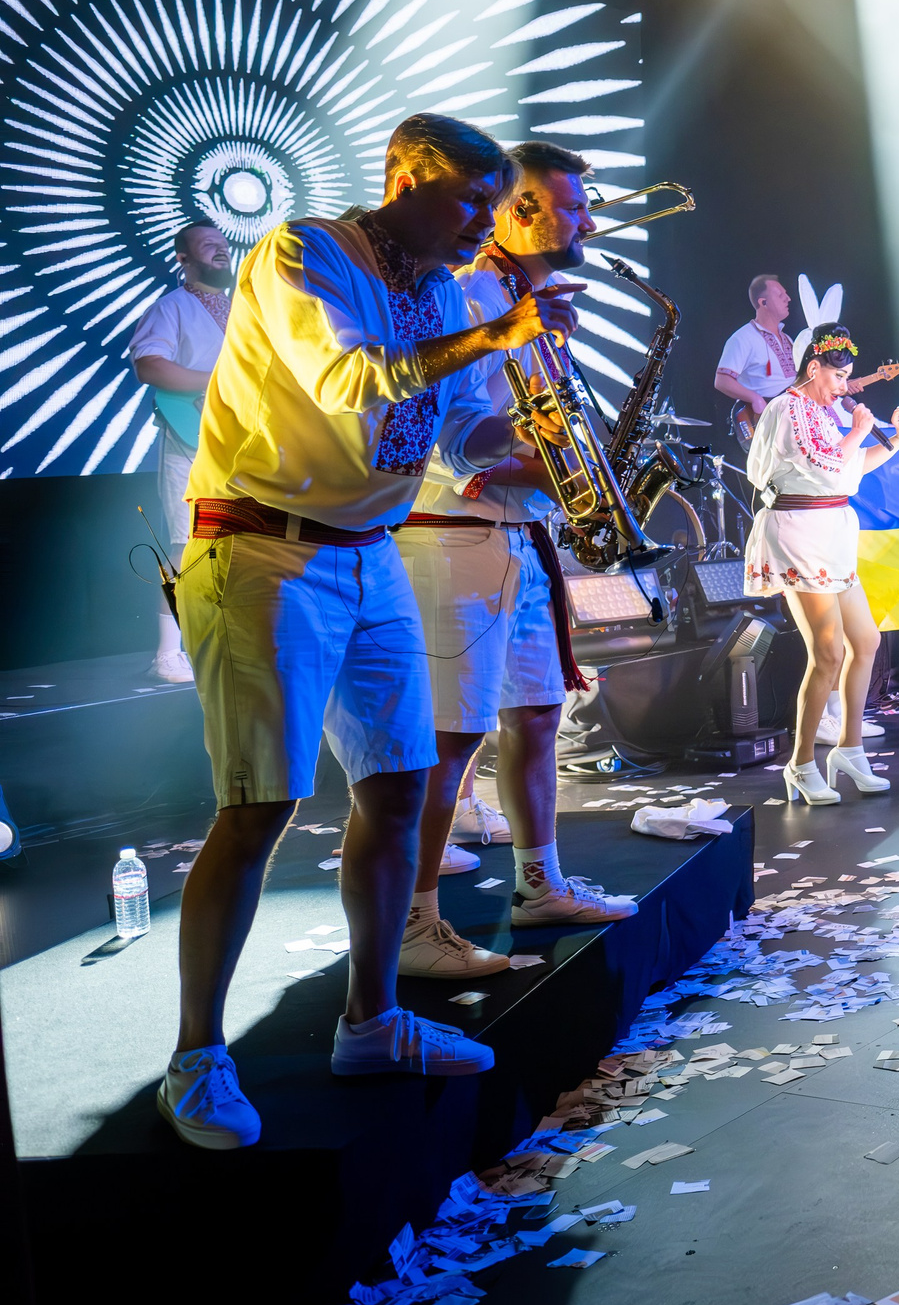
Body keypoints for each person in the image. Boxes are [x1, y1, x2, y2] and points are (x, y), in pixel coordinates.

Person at [160, 112, 580, 1149]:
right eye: (473, 203)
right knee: (258, 809)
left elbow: (440, 430)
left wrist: (538, 440)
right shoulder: (302, 252)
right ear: (405, 175)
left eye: (496, 208)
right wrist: (492, 334)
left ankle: (372, 1021)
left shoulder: (438, 287)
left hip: (367, 550)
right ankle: (196, 1057)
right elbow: (351, 384)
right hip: (263, 550)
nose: (487, 227)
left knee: (398, 792)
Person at [393, 141, 638, 981]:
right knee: (449, 739)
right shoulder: (466, 294)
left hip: (514, 538)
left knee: (535, 717)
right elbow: (447, 440)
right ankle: (415, 922)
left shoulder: (523, 292)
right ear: (522, 208)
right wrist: (558, 464)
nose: (590, 221)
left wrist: (565, 464)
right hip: (452, 537)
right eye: (575, 207)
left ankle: (540, 885)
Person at [745, 324, 899, 803]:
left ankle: (850, 748)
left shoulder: (821, 410)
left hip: (832, 534)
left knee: (867, 640)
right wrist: (857, 431)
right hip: (799, 535)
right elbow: (826, 467)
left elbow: (849, 469)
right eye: (838, 376)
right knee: (828, 651)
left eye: (847, 378)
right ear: (814, 367)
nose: (844, 386)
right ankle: (800, 763)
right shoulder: (785, 409)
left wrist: (894, 440)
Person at [128, 221, 235, 683]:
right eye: (208, 246)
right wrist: (215, 383)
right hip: (188, 443)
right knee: (182, 546)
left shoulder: (246, 309)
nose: (221, 251)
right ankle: (167, 653)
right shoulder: (171, 307)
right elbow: (149, 365)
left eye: (224, 245)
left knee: (241, 545)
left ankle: (224, 640)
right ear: (183, 259)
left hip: (244, 444)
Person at [714, 273, 797, 446]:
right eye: (781, 295)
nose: (788, 299)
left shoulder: (789, 339)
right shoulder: (743, 338)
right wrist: (755, 399)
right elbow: (721, 380)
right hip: (762, 419)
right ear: (763, 302)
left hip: (791, 419)